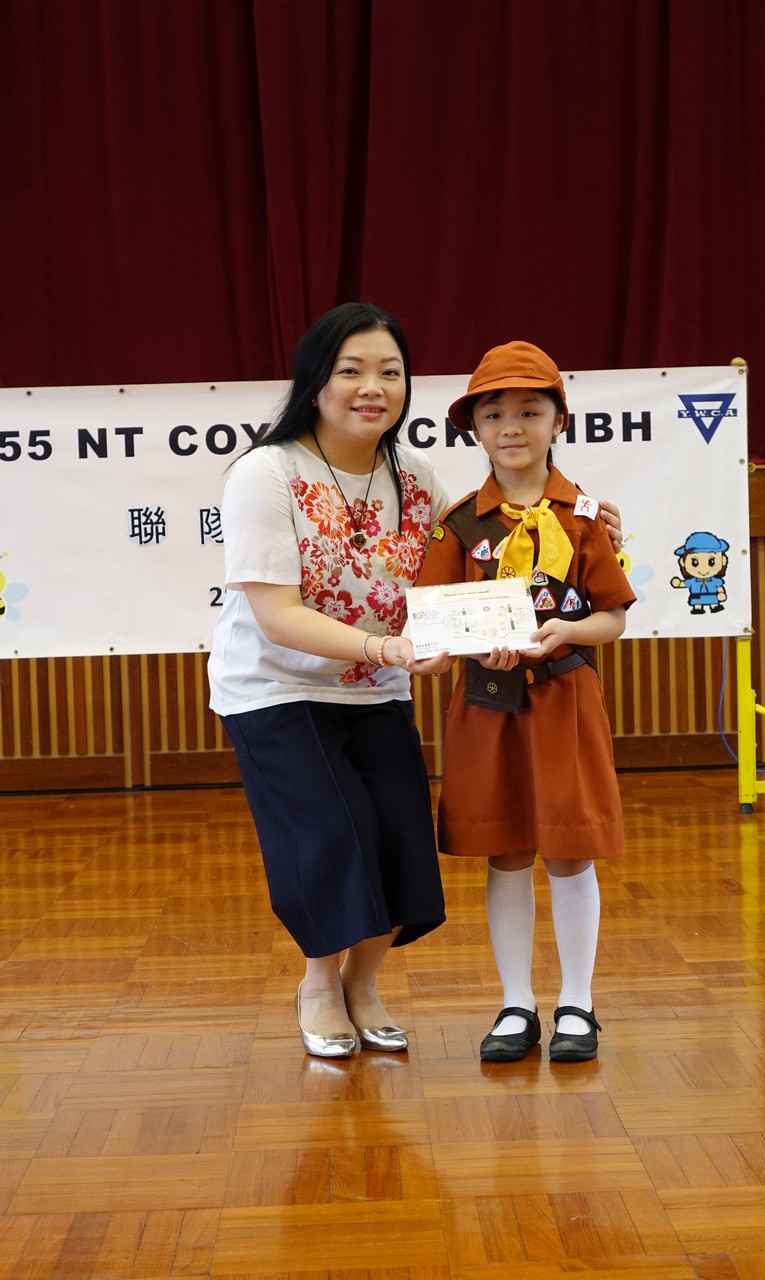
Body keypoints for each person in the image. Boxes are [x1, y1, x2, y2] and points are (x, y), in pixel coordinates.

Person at [207, 302, 452, 1059]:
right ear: (316, 381)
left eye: (389, 372)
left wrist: (583, 524)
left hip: (373, 687)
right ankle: (318, 983)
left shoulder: (416, 477)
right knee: (334, 832)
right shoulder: (266, 472)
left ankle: (362, 983)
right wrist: (384, 647)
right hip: (274, 688)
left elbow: (480, 555)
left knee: (402, 833)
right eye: (351, 371)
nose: (372, 387)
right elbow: (277, 616)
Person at [408, 340, 636, 1064]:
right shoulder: (458, 525)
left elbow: (612, 617)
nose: (512, 427)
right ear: (472, 428)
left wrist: (569, 630)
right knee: (505, 852)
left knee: (569, 851)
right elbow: (432, 622)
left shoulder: (584, 518)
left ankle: (578, 1003)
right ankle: (514, 1004)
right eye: (494, 414)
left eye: (530, 412)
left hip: (566, 699)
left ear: (559, 421)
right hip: (487, 705)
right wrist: (462, 648)